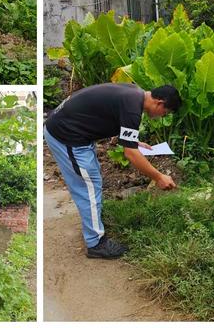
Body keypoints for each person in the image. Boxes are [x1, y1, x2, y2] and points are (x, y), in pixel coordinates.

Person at [44, 83, 181, 259]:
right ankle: (96, 244)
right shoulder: (133, 107)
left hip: (71, 129)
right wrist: (158, 176)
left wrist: (134, 142)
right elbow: (130, 154)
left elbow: (106, 112)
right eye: (166, 113)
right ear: (159, 103)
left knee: (91, 181)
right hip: (66, 135)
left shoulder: (134, 93)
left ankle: (93, 225)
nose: (162, 116)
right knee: (88, 186)